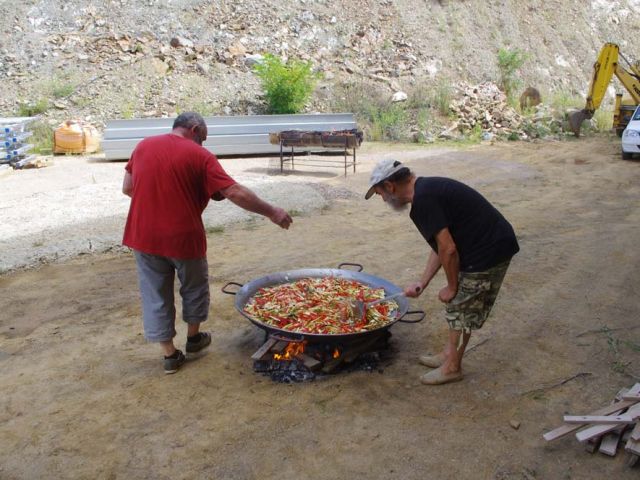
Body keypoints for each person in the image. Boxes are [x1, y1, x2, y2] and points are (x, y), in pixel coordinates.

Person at [122, 112, 292, 374]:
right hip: (183, 236)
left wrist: (159, 201)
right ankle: (193, 338)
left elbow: (128, 188)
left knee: (154, 294)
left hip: (142, 235)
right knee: (194, 286)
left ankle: (169, 355)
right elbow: (234, 192)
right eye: (203, 137)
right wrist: (273, 211)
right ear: (194, 128)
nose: (203, 143)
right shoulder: (199, 155)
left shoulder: (143, 145)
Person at [365, 158, 519, 385]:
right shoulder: (425, 191)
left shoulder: (423, 200)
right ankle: (449, 354)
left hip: (489, 249)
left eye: (380, 193)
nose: (383, 199)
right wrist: (423, 282)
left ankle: (453, 368)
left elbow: (449, 249)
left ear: (390, 186)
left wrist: (452, 286)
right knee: (459, 304)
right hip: (485, 243)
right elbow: (440, 246)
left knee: (461, 305)